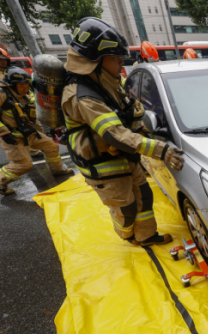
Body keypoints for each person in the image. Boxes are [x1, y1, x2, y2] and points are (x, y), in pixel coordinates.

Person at [61, 17, 184, 246]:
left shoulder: (106, 82)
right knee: (125, 209)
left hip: (125, 157)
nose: (121, 63)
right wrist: (160, 150)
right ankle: (127, 234)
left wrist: (149, 133)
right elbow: (115, 133)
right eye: (115, 58)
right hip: (103, 165)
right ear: (96, 60)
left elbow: (129, 115)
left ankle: (146, 236)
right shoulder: (81, 95)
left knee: (143, 197)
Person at [0, 67, 73, 195]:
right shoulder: (2, 94)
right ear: (12, 84)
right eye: (22, 85)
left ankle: (57, 170)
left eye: (27, 85)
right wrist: (4, 133)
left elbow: (36, 106)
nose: (25, 88)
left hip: (29, 132)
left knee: (51, 146)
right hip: (13, 137)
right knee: (23, 164)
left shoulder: (26, 94)